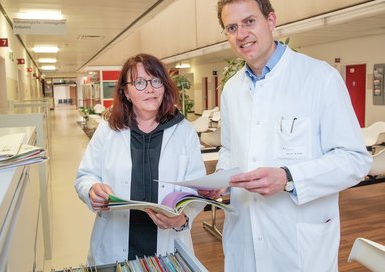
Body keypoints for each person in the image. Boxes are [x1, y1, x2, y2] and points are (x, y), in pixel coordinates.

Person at [202, 0, 372, 271]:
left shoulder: (320, 78)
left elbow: (354, 160)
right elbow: (230, 149)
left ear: (271, 21)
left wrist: (288, 178)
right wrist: (221, 179)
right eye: (231, 27)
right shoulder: (232, 90)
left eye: (249, 21)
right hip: (245, 233)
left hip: (298, 241)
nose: (241, 34)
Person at [74, 53, 206, 266]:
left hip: (168, 244)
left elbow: (197, 188)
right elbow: (85, 175)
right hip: (114, 243)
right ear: (125, 92)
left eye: (156, 80)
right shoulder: (108, 130)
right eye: (139, 82)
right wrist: (91, 190)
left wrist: (183, 218)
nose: (150, 89)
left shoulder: (184, 131)